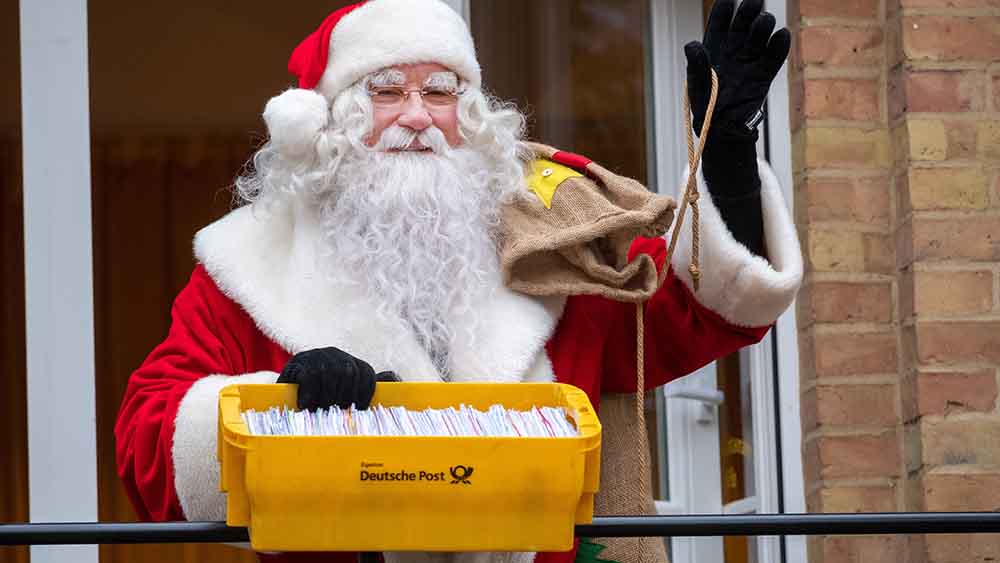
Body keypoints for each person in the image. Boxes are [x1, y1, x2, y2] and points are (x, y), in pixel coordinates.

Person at [114, 0, 802, 562]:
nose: (417, 117)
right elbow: (146, 444)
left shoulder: (547, 250)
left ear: (467, 117)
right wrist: (276, 405)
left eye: (440, 91)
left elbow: (696, 310)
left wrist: (730, 150)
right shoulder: (251, 266)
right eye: (386, 90)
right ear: (328, 122)